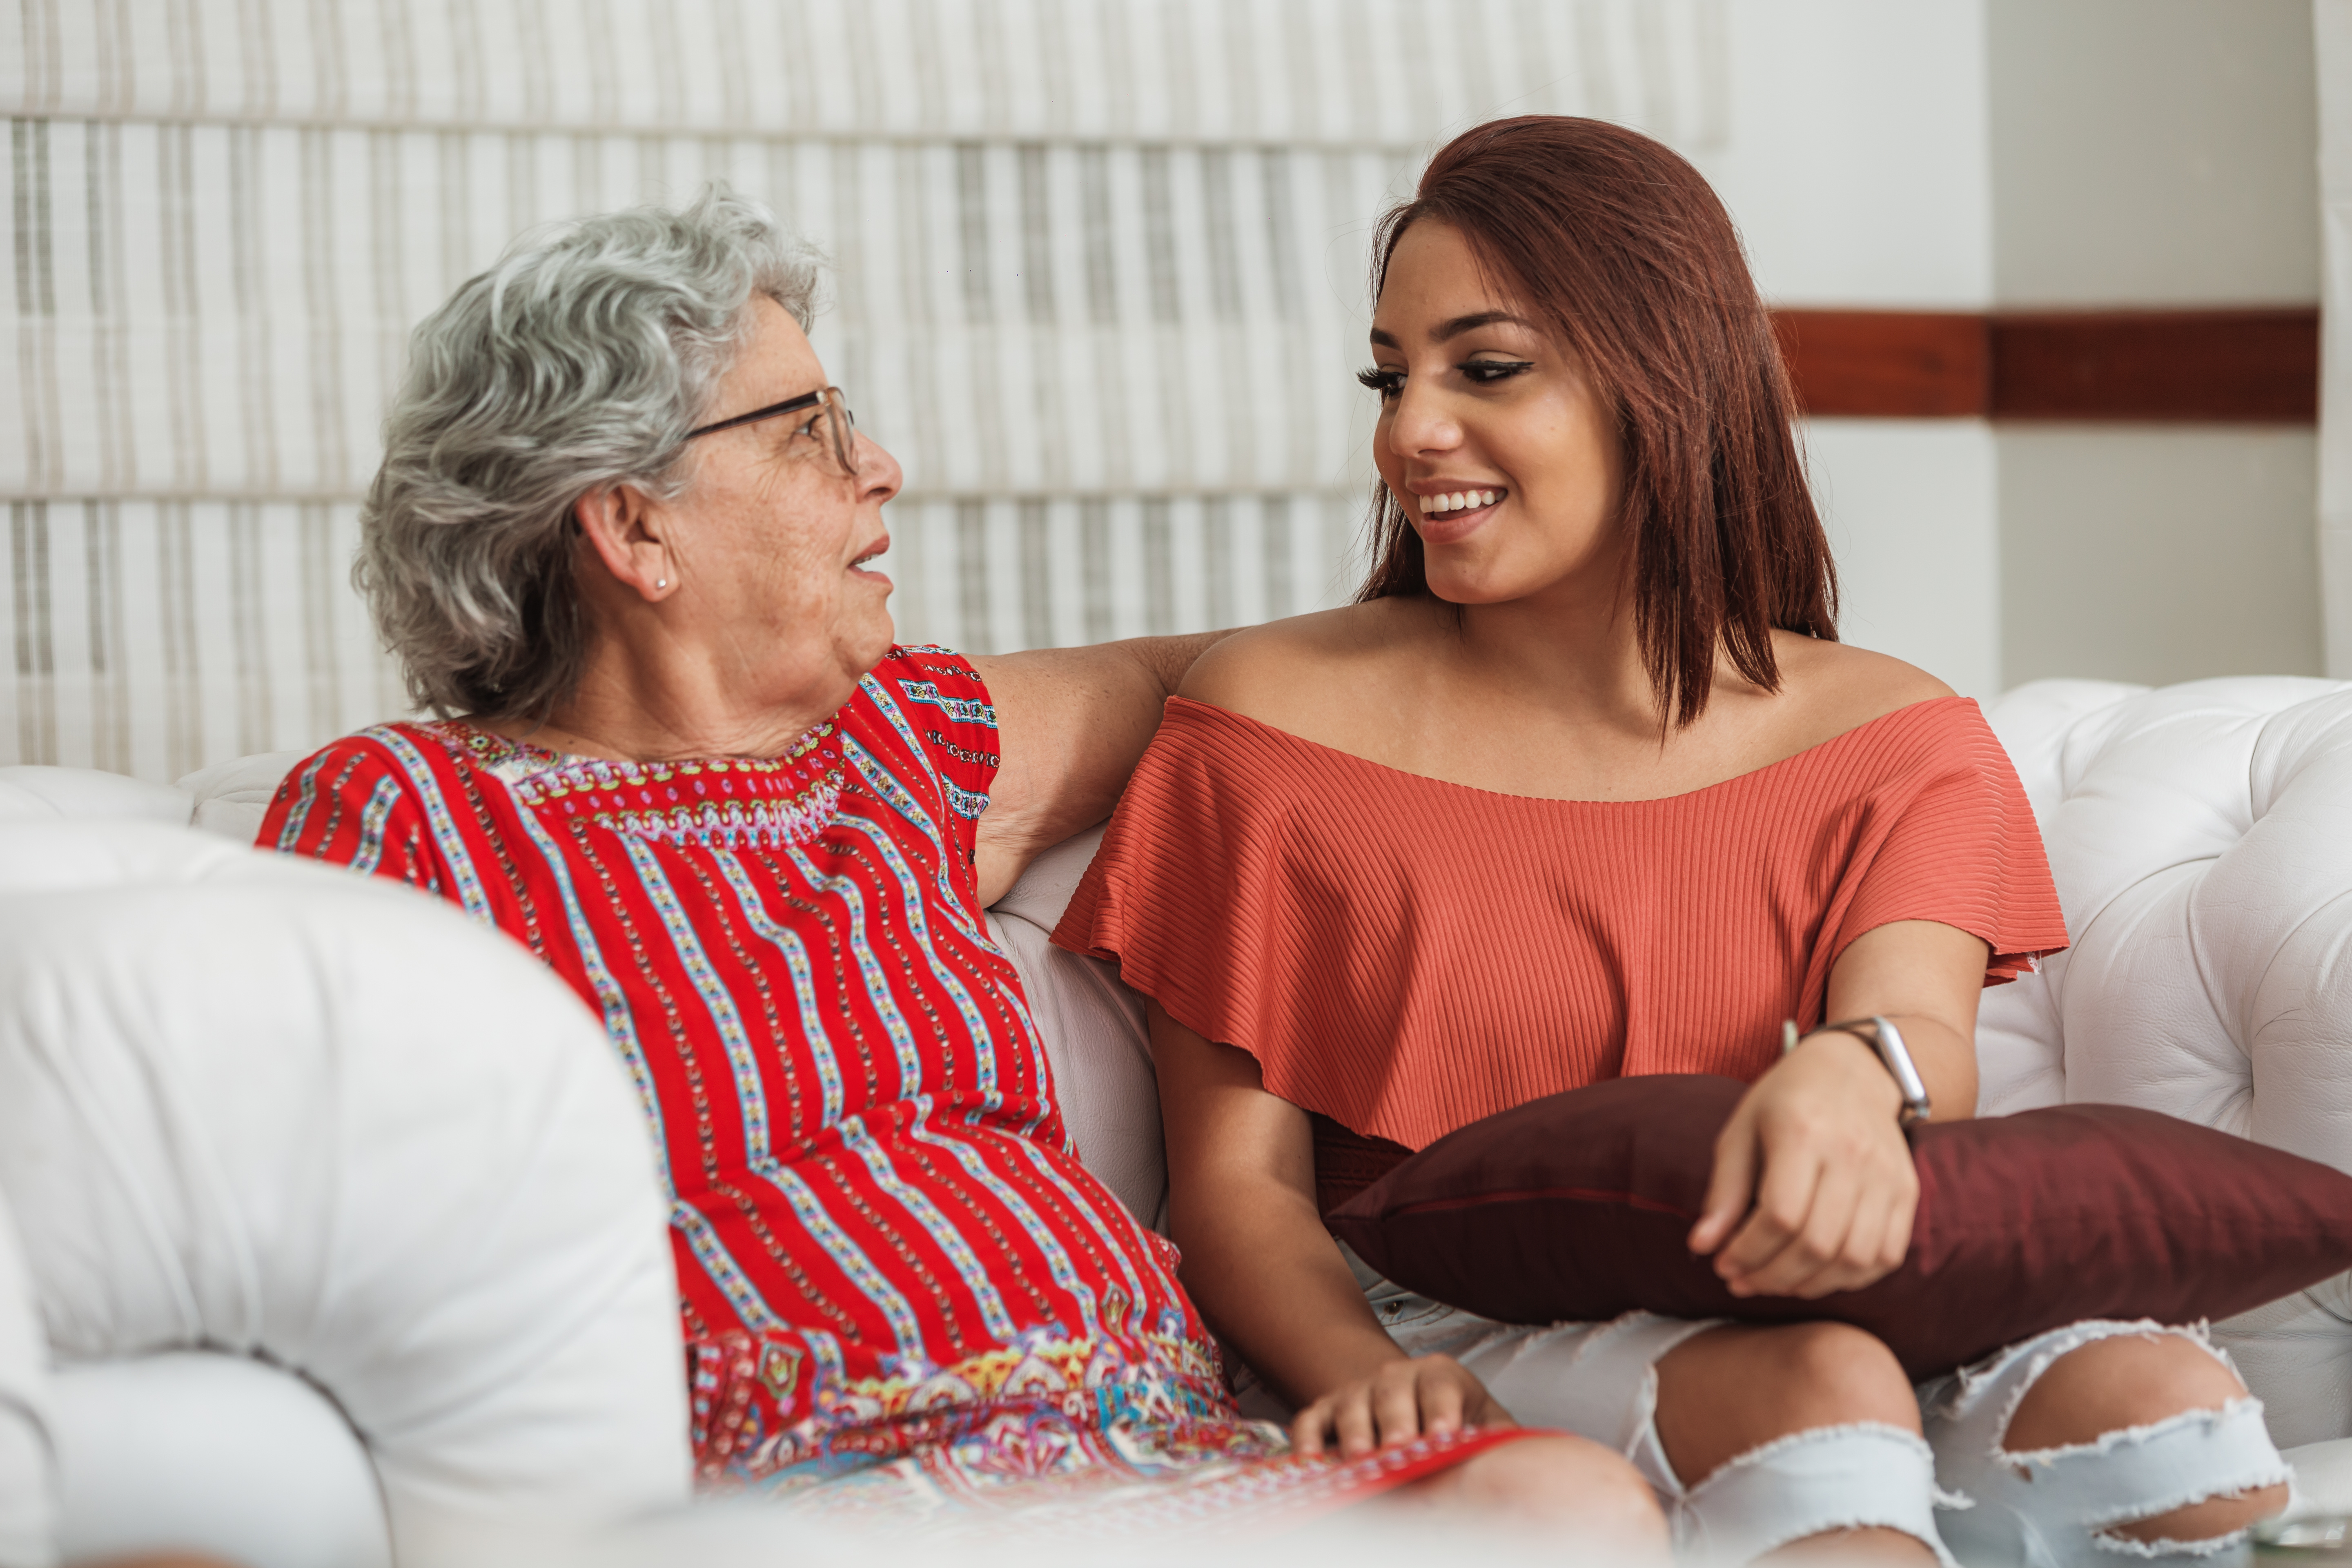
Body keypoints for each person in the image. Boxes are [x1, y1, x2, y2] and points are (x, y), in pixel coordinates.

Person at [258, 185, 1663, 1548]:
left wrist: (1621, 631)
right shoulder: (412, 811)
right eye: (810, 428)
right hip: (819, 1484)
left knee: (1563, 1503)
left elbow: (1242, 682)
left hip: (1164, 1452)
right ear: (634, 528)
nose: (881, 466)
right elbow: (317, 1212)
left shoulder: (897, 741)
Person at [1052, 117, 2292, 1566]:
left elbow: (1915, 1040)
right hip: (1442, 1330)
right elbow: (1238, 1182)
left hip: (1832, 1290)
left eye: (1486, 368)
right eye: (1392, 378)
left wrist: (1851, 1070)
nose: (1410, 431)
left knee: (2167, 1403)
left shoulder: (1896, 737)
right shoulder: (1272, 724)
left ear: (1663, 381)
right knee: (1821, 1389)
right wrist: (1364, 1378)